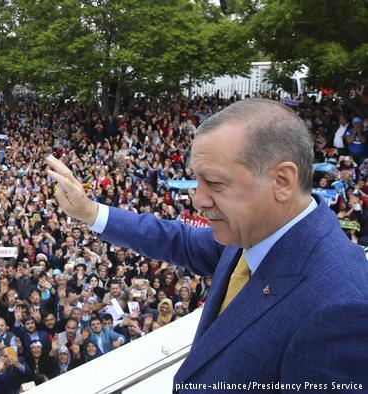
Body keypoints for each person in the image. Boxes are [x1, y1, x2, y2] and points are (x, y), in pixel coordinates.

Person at [46, 98, 368, 392]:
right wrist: (90, 212)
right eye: (197, 180)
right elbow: (178, 240)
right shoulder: (251, 233)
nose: (198, 199)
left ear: (281, 181)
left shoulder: (341, 309)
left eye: (214, 183)